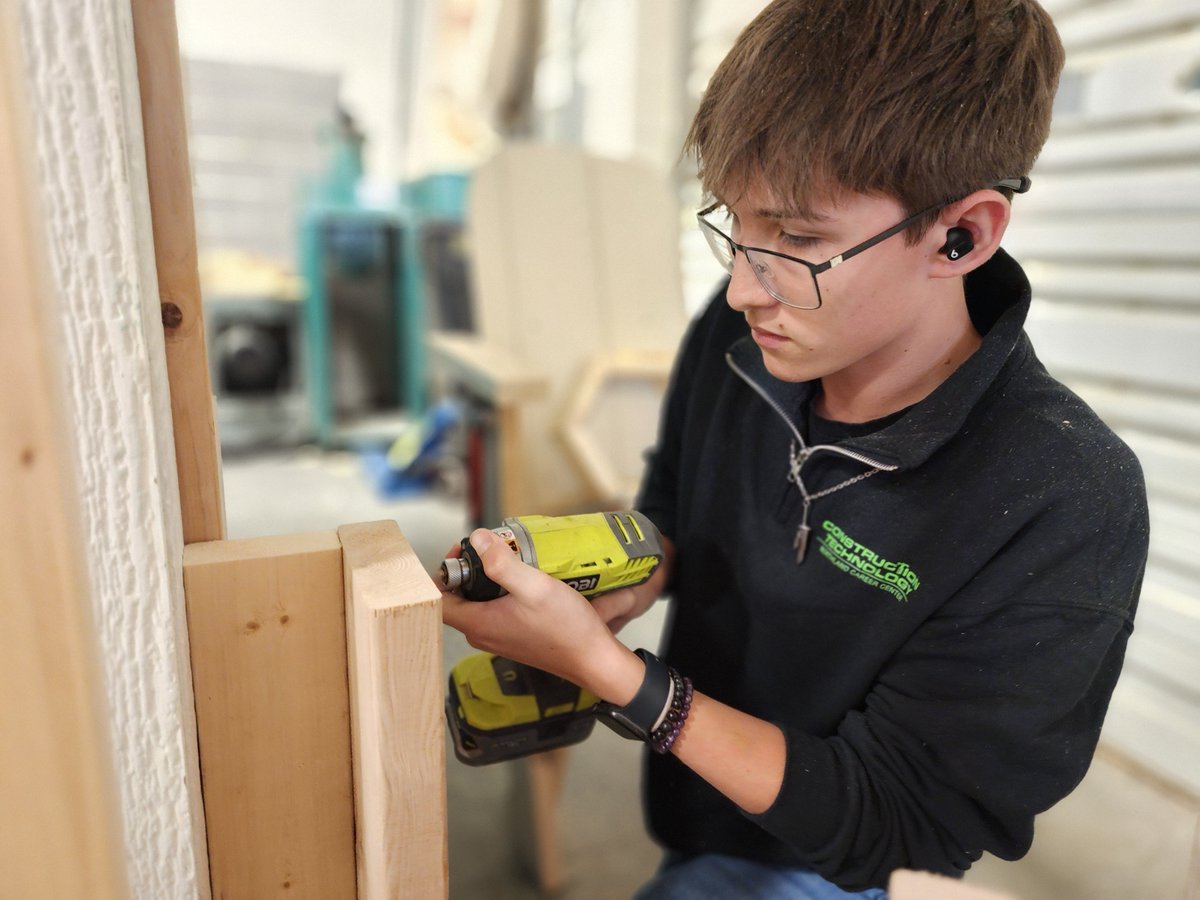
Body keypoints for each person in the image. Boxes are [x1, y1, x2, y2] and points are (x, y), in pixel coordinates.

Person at [442, 0, 1150, 896]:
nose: (742, 286)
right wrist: (630, 575)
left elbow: (902, 817)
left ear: (962, 233)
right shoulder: (746, 340)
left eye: (797, 240)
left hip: (841, 867)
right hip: (699, 806)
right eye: (736, 224)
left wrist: (614, 676)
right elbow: (676, 507)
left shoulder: (1067, 495)